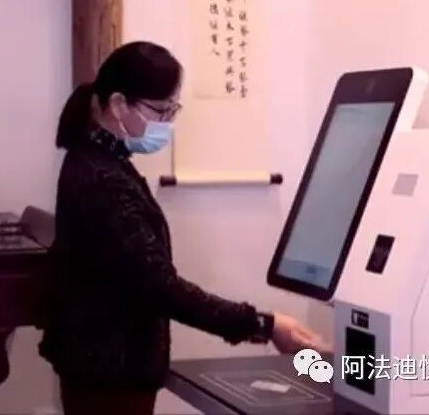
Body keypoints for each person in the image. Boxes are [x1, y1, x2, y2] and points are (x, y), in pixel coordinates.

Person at [40, 41, 328, 415]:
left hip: (104, 368)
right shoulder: (101, 178)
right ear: (119, 104)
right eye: (160, 111)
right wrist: (264, 325)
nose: (167, 124)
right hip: (108, 374)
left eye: (173, 110)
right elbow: (160, 286)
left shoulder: (102, 160)